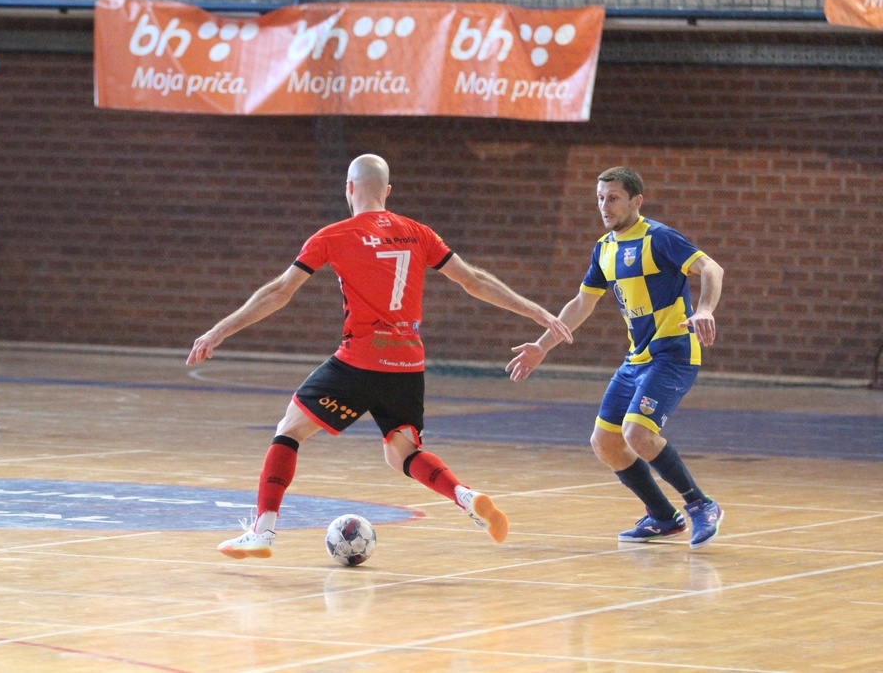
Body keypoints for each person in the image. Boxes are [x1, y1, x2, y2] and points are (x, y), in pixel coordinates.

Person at [187, 153, 574, 559]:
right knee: (402, 453)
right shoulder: (419, 233)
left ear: (349, 188)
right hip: (407, 363)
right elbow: (473, 281)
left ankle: (263, 531)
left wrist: (219, 330)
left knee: (289, 430)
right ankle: (465, 496)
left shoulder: (333, 235)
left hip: (359, 359)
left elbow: (279, 292)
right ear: (387, 191)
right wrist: (536, 311)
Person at [507, 166, 725, 549]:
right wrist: (542, 345)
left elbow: (711, 268)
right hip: (636, 359)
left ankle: (701, 505)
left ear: (636, 201)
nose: (604, 206)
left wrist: (705, 309)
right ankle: (663, 516)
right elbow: (582, 303)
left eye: (613, 198)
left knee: (637, 433)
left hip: (673, 352)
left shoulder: (658, 238)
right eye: (600, 198)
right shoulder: (604, 248)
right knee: (605, 442)